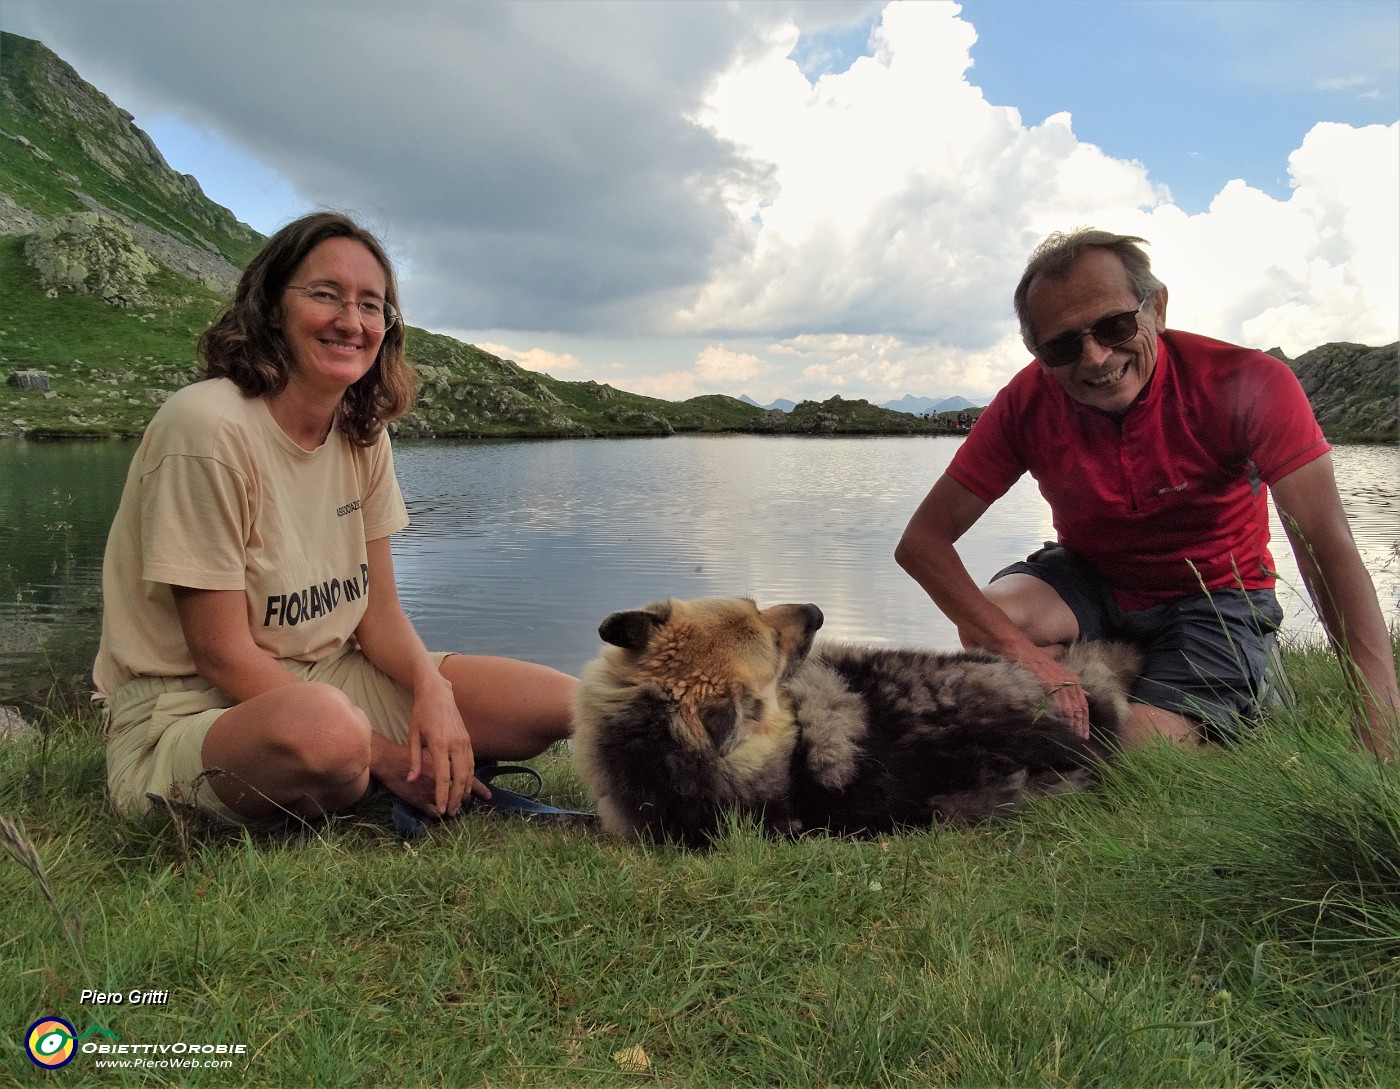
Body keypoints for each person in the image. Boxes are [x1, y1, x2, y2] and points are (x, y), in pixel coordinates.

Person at [95, 211, 575, 826]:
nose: (351, 321)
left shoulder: (362, 430)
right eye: (325, 295)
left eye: (371, 305)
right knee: (329, 735)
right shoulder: (207, 428)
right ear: (272, 307)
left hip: (335, 675)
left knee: (562, 704)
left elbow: (379, 616)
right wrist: (392, 758)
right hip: (186, 709)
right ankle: (350, 772)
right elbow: (220, 655)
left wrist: (436, 695)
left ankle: (349, 768)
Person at [896, 228, 1397, 762]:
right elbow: (922, 543)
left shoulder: (1248, 382)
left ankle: (1253, 689)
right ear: (1036, 350)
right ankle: (1139, 682)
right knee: (994, 622)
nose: (1093, 358)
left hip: (1216, 593)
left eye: (1113, 326)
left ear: (1155, 307)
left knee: (1136, 758)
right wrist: (1021, 653)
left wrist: (1379, 715)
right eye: (1063, 345)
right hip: (1091, 578)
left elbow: (1325, 545)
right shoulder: (1025, 402)